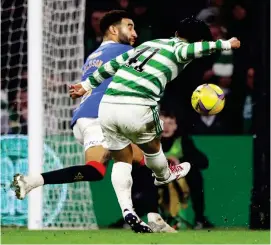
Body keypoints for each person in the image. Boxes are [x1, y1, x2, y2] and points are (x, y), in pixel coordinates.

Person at [70, 16, 240, 233]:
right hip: (136, 106)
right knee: (154, 145)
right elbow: (194, 50)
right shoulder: (180, 49)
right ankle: (165, 175)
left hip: (108, 107)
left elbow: (113, 65)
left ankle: (129, 211)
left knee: (123, 160)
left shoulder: (151, 44)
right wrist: (226, 44)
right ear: (194, 40)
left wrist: (86, 85)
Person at [11, 10, 174, 233]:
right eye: (130, 27)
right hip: (102, 116)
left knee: (112, 167)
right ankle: (139, 215)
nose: (135, 33)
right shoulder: (126, 51)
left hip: (83, 119)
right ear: (114, 30)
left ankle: (153, 217)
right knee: (147, 159)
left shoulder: (93, 56)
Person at [158, 110, 214, 229]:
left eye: (170, 123)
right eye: (162, 123)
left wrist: (181, 162)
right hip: (156, 181)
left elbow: (204, 162)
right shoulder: (149, 142)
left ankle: (199, 218)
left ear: (176, 126)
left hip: (180, 184)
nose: (166, 127)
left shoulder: (183, 142)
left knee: (195, 174)